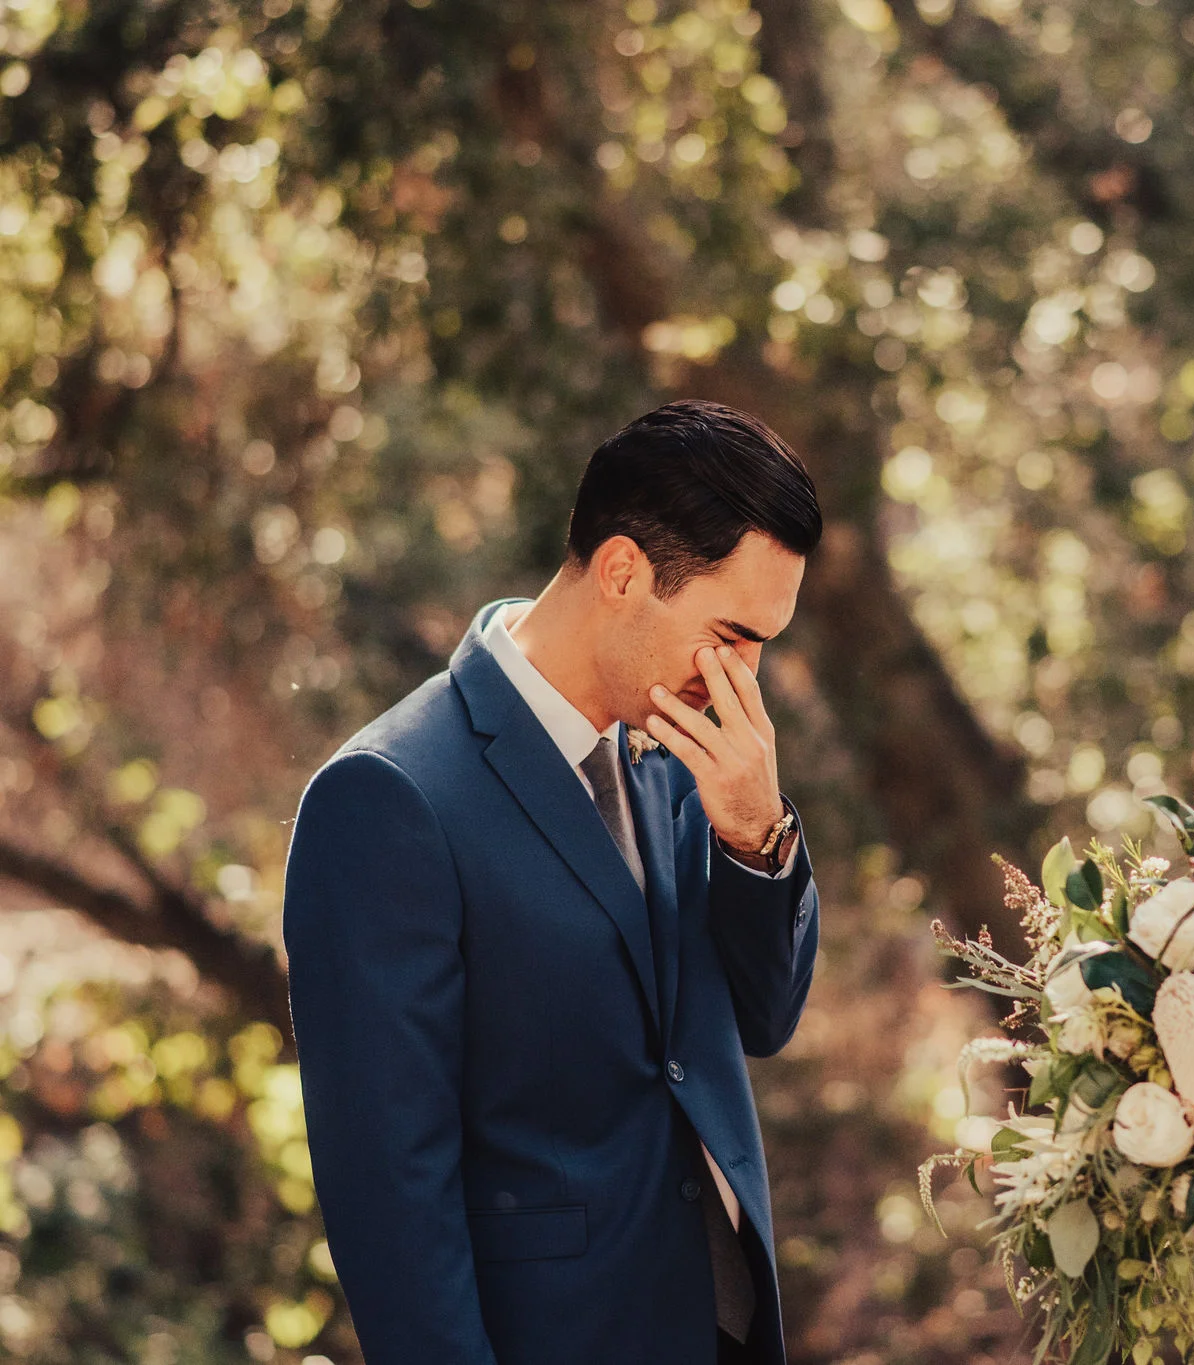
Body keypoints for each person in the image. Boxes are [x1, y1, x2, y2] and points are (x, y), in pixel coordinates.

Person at [283, 400, 824, 1365]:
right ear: (623, 571)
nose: (746, 678)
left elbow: (764, 1017)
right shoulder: (386, 796)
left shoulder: (689, 749)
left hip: (725, 1329)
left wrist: (755, 831)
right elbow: (390, 1195)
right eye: (733, 634)